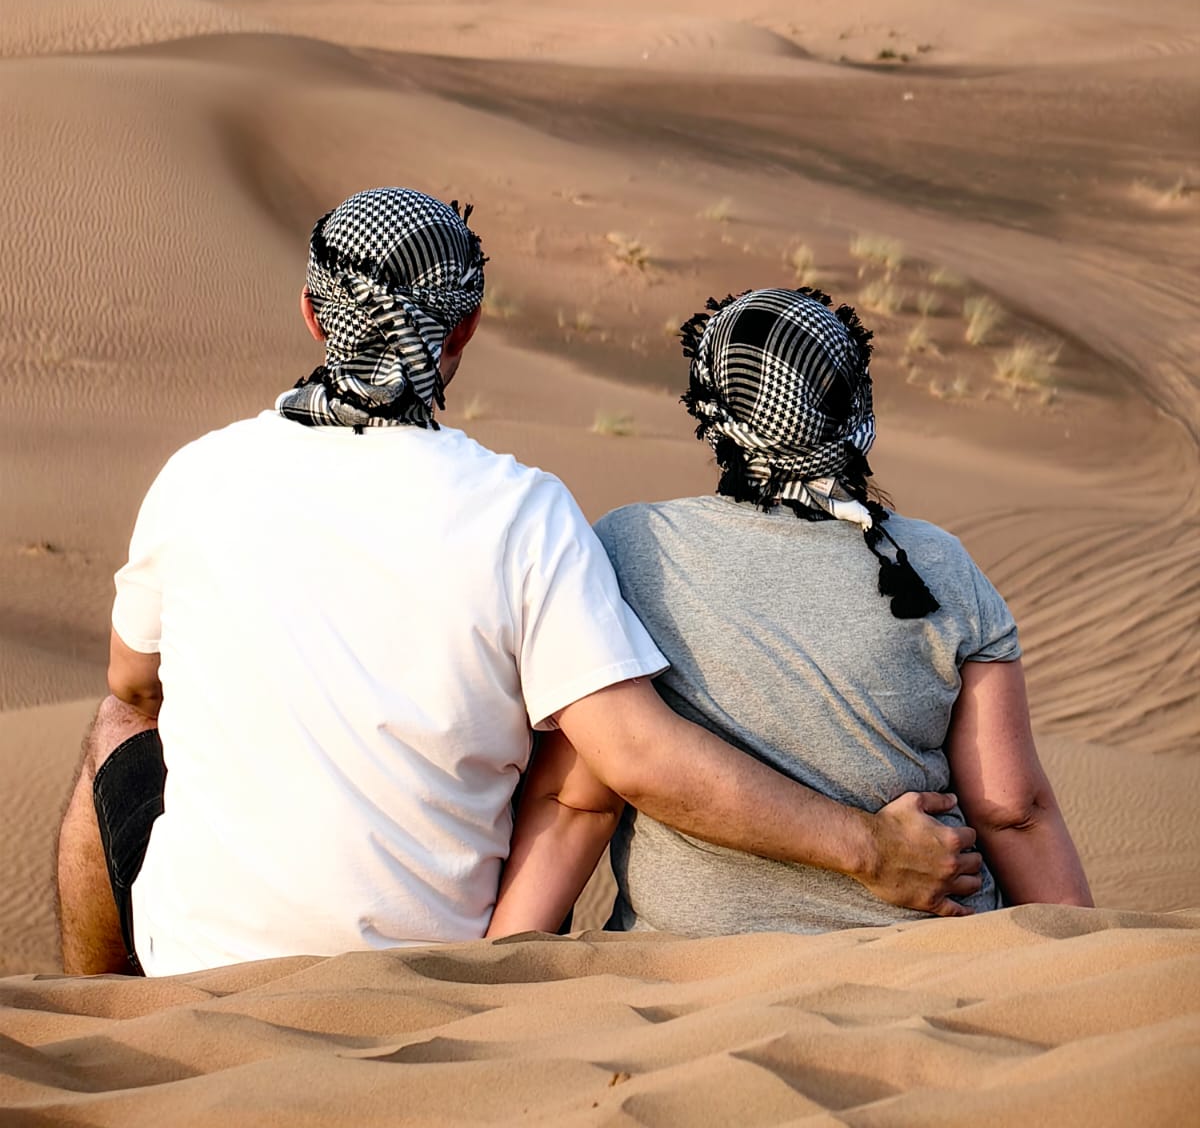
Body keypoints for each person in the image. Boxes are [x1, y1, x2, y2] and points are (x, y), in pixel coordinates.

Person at [57, 202, 983, 977]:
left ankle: (108, 1017)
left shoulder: (198, 476)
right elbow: (634, 759)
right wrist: (867, 850)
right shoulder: (521, 513)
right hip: (431, 974)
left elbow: (136, 686)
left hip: (197, 958)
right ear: (465, 328)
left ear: (310, 313)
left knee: (115, 727)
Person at [487, 287, 1091, 939]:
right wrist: (1089, 959)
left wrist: (501, 967)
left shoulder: (631, 549)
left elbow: (578, 797)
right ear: (853, 402)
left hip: (689, 975)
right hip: (933, 954)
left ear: (711, 408)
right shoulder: (939, 564)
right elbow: (1012, 808)